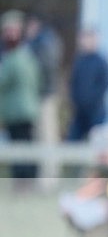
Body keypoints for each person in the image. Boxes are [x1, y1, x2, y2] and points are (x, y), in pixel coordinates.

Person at [0, 9, 40, 188]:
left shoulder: (14, 58)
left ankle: (23, 184)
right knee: (27, 148)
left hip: (17, 111)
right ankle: (27, 182)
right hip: (28, 109)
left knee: (20, 150)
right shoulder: (28, 55)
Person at [67, 28, 108, 141]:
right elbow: (73, 82)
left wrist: (92, 100)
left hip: (96, 110)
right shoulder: (80, 60)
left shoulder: (101, 61)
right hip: (80, 110)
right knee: (72, 140)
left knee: (97, 141)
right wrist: (75, 100)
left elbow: (105, 83)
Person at [26, 13, 63, 145]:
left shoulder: (44, 43)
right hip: (39, 93)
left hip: (45, 93)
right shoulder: (39, 42)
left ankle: (50, 165)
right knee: (39, 132)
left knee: (48, 131)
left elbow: (45, 67)